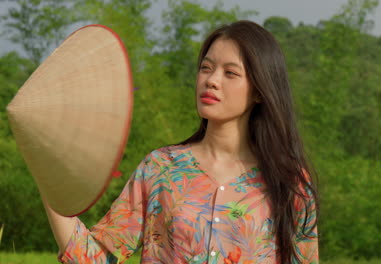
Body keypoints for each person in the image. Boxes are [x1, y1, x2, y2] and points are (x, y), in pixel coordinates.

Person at [45, 20, 319, 264]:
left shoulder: (288, 182)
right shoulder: (161, 168)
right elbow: (95, 258)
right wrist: (45, 168)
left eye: (230, 73)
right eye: (206, 68)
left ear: (260, 90)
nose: (211, 80)